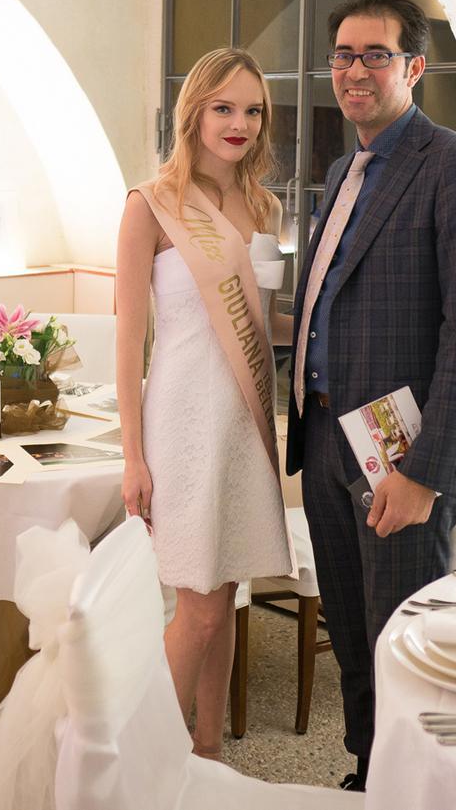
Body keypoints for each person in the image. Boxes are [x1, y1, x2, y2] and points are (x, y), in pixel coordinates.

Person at [284, 0, 456, 791]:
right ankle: (368, 771)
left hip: (402, 455)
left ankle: (415, 787)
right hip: (328, 438)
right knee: (352, 631)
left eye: (375, 55)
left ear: (414, 67)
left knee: (403, 640)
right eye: (343, 55)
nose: (355, 70)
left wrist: (423, 473)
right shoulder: (344, 169)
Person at [117, 47, 295, 761]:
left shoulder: (264, 206)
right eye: (223, 107)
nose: (239, 123)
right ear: (194, 112)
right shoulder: (150, 205)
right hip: (182, 421)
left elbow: (265, 325)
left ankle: (206, 752)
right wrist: (132, 456)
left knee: (226, 599)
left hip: (244, 424)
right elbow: (129, 342)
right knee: (197, 608)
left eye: (252, 110)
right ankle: (141, 767)